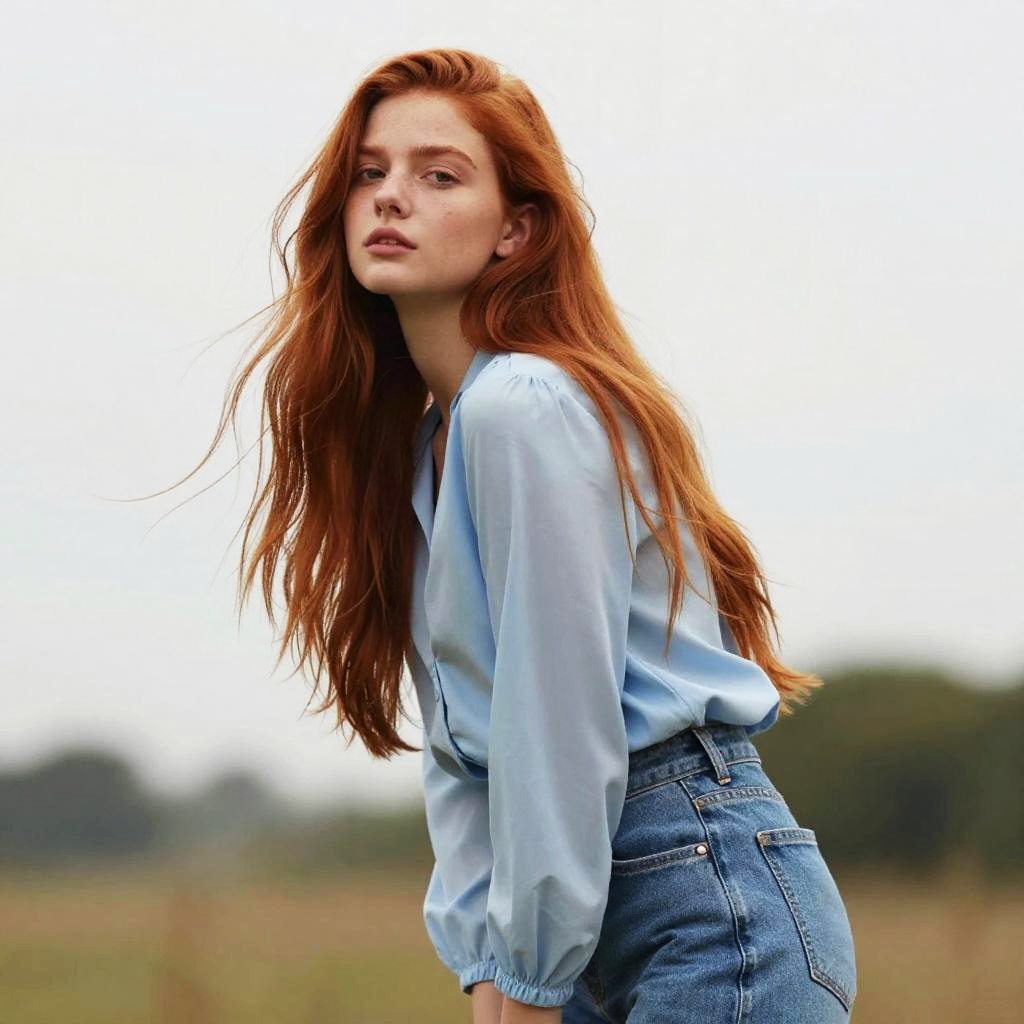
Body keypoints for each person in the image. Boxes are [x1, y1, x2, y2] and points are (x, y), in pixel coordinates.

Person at [204, 47, 858, 1024]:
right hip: (593, 904)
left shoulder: (523, 406)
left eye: (439, 174)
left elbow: (557, 716)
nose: (390, 198)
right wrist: (488, 962)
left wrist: (526, 970)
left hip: (704, 899)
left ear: (516, 228)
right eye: (369, 172)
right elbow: (467, 754)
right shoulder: (434, 442)